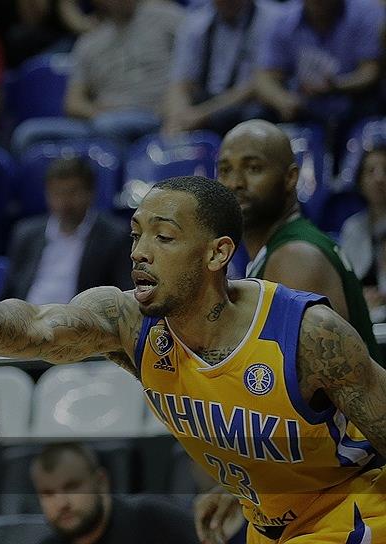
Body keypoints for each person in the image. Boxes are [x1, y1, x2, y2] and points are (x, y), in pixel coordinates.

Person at [0, 175, 386, 543]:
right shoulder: (131, 323)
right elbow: (42, 324)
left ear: (217, 253)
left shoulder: (305, 334)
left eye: (164, 237)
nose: (140, 252)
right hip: (272, 525)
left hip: (354, 515)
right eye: (137, 235)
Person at [216, 119, 383, 365]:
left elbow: (321, 379)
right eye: (225, 170)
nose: (235, 183)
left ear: (290, 177)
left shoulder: (295, 258)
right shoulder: (284, 247)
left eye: (253, 168)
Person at [3, 157, 132, 304]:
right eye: (57, 193)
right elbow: (9, 292)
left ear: (91, 193)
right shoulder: (26, 233)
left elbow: (123, 296)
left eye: (73, 193)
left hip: (79, 316)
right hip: (28, 314)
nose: (64, 202)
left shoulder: (114, 236)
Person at [61, 0, 183, 145]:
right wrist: (97, 112)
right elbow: (73, 104)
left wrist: (174, 105)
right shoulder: (89, 42)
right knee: (36, 132)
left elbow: (194, 67)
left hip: (155, 114)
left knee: (109, 125)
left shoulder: (167, 17)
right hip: (105, 118)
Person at [31, 443, 199, 544]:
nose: (62, 503)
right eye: (48, 494)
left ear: (101, 482)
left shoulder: (154, 518)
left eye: (72, 487)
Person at [255, 0, 383, 130]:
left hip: (357, 111)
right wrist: (283, 100)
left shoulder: (367, 13)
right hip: (305, 114)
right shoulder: (283, 20)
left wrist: (338, 85)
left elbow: (370, 72)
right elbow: (265, 76)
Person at [163, 0, 281, 135]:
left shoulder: (272, 19)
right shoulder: (196, 22)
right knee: (166, 126)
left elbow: (260, 83)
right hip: (206, 103)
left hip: (245, 104)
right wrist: (177, 118)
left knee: (255, 115)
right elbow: (179, 84)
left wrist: (203, 114)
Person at [339, 145, 386, 322]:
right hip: (363, 313)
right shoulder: (352, 227)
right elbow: (346, 282)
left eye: (385, 170)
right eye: (371, 171)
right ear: (360, 182)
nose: (379, 178)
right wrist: (359, 298)